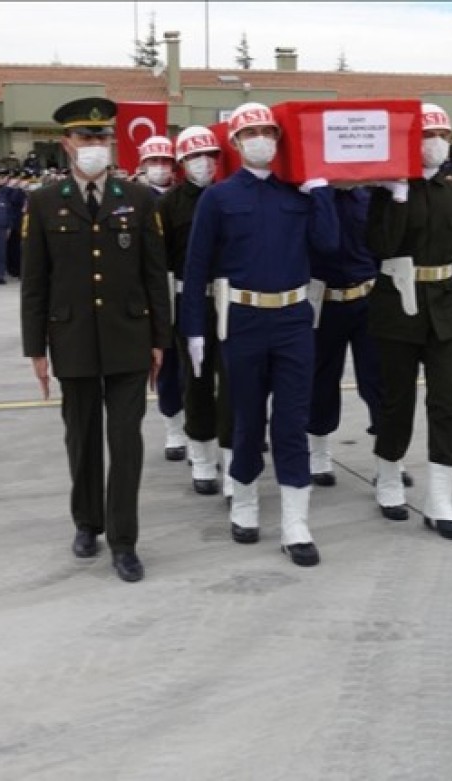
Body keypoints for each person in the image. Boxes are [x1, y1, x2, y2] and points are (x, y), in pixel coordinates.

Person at [181, 101, 339, 568]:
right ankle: (246, 504)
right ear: (235, 142)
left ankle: (295, 523)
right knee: (247, 418)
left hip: (293, 319)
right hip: (242, 320)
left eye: (268, 131)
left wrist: (322, 192)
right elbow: (196, 268)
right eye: (250, 132)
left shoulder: (297, 194)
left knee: (291, 420)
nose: (261, 139)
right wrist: (194, 329)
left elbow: (328, 246)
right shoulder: (219, 197)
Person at [21, 97, 173, 583]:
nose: (95, 145)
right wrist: (35, 349)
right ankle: (88, 522)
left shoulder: (139, 198)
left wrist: (159, 340)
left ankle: (124, 541)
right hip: (73, 340)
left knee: (126, 442)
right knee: (81, 438)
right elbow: (35, 282)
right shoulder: (44, 201)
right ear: (66, 143)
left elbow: (155, 275)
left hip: (129, 338)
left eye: (102, 137)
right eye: (85, 137)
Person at [364, 102, 452, 542]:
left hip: (444, 308)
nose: (434, 143)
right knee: (395, 401)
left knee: (446, 404)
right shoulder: (384, 192)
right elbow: (379, 245)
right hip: (396, 304)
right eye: (426, 134)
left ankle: (440, 498)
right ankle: (387, 475)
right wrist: (397, 196)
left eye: (441, 135)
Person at [159, 125, 230, 496]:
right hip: (190, 299)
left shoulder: (229, 195)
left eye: (210, 156)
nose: (204, 164)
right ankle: (202, 456)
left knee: (234, 380)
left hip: (231, 299)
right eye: (194, 157)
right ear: (182, 162)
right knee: (197, 380)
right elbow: (160, 261)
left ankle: (234, 456)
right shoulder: (169, 204)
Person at [307, 185, 386, 487]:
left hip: (366, 298)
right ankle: (319, 454)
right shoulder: (313, 195)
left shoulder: (368, 197)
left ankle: (387, 458)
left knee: (378, 380)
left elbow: (380, 248)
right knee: (321, 379)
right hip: (323, 301)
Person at [138, 134, 189, 462]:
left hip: (189, 286)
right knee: (166, 360)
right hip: (156, 288)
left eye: (165, 161)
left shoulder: (186, 197)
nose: (160, 168)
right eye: (153, 162)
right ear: (142, 165)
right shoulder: (133, 200)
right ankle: (174, 426)